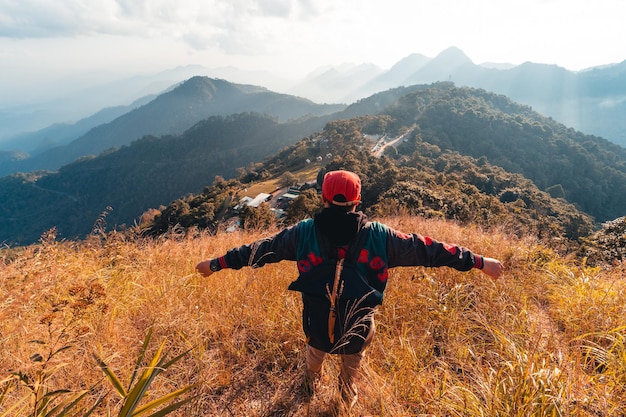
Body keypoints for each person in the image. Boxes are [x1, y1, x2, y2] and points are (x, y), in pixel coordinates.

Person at [196, 170, 504, 407]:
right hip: (358, 329)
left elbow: (259, 250)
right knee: (352, 362)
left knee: (314, 355)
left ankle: (310, 383)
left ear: (324, 199)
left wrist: (215, 264)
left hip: (316, 326)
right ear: (358, 201)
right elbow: (431, 250)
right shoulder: (382, 238)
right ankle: (347, 392)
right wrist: (478, 261)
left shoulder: (302, 234)